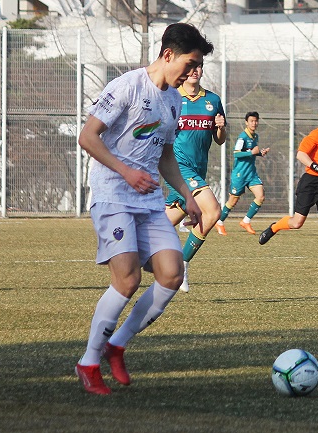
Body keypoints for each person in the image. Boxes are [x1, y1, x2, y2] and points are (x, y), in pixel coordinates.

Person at [75, 23, 212, 395]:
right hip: (113, 194)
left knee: (172, 273)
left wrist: (186, 193)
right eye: (190, 63)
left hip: (148, 200)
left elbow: (166, 153)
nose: (192, 72)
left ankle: (116, 345)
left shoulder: (175, 99)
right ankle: (88, 363)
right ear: (168, 54)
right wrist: (126, 171)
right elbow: (87, 136)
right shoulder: (127, 86)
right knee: (129, 279)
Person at [258, 104, 318, 272]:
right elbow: (301, 154)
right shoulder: (317, 134)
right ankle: (274, 227)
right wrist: (317, 168)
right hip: (310, 182)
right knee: (297, 222)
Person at [163, 65, 226, 293]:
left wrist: (220, 128)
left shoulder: (213, 100)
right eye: (191, 67)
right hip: (178, 167)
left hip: (199, 169)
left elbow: (220, 139)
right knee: (213, 211)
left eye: (199, 67)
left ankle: (135, 244)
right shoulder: (171, 96)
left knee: (161, 224)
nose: (195, 71)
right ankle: (183, 263)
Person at [215, 111, 270, 236]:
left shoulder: (255, 137)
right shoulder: (242, 137)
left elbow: (253, 152)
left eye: (256, 121)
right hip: (240, 174)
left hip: (251, 174)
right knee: (233, 201)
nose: (254, 123)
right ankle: (220, 222)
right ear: (246, 122)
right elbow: (236, 153)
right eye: (251, 121)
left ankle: (246, 221)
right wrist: (251, 152)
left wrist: (260, 153)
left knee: (260, 196)